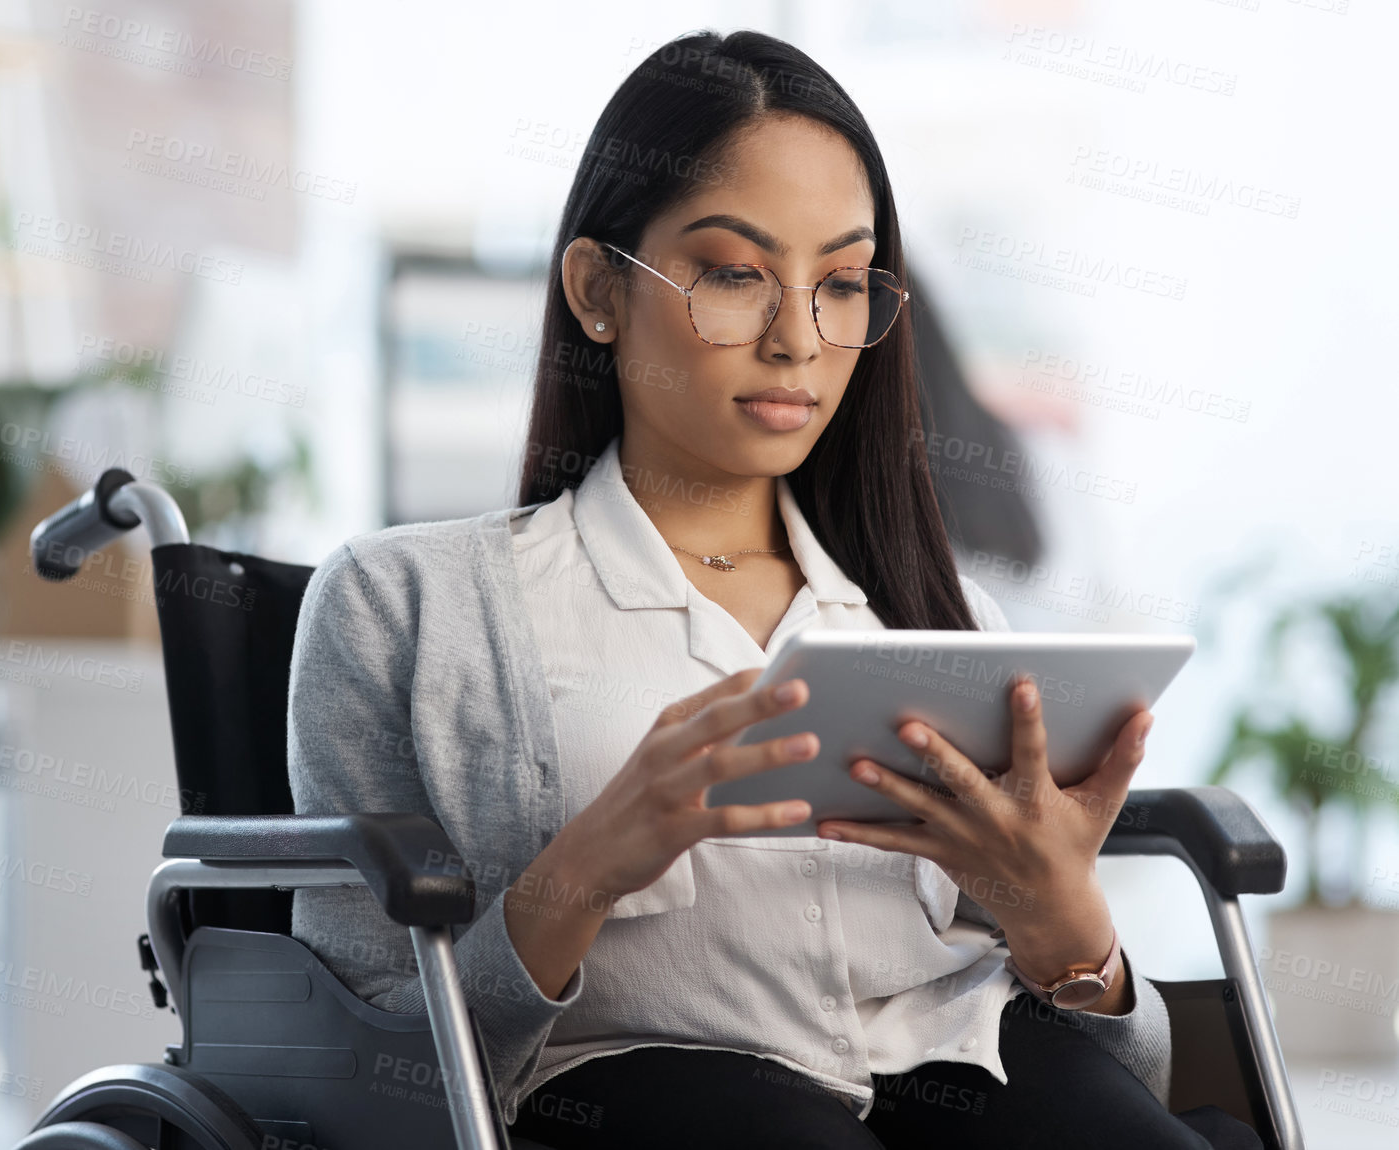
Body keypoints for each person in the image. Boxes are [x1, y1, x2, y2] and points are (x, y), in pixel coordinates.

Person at [288, 28, 1260, 1150]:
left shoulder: (942, 624)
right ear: (600, 290)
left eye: (841, 283)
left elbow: (1117, 1071)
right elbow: (360, 1070)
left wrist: (1066, 932)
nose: (798, 340)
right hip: (638, 1092)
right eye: (735, 273)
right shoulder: (404, 604)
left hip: (959, 1067)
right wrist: (588, 864)